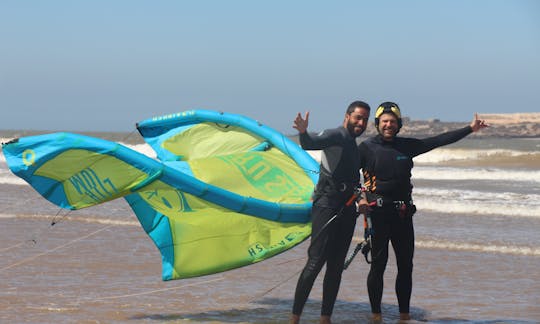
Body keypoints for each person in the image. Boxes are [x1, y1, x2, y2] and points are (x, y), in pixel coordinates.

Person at [358, 102, 488, 321]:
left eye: (392, 122)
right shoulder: (366, 148)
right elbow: (349, 174)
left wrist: (470, 129)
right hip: (378, 215)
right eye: (384, 121)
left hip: (403, 215)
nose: (388, 125)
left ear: (399, 124)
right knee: (378, 266)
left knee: (406, 266)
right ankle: (376, 316)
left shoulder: (407, 146)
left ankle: (404, 315)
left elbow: (438, 140)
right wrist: (359, 197)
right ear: (377, 124)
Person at [290, 101, 371, 324]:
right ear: (347, 116)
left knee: (335, 268)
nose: (361, 122)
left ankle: (325, 319)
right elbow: (311, 143)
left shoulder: (354, 146)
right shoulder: (336, 135)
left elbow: (355, 181)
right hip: (326, 206)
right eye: (358, 117)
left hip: (346, 210)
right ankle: (294, 318)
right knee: (315, 262)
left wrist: (362, 198)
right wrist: (304, 132)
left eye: (365, 119)